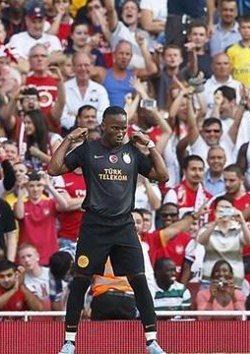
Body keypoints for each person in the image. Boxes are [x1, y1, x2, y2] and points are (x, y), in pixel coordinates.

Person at [48, 106, 169, 354]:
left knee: (139, 280)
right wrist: (69, 139)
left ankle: (152, 342)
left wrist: (151, 147)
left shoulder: (132, 152)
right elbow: (54, 168)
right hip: (94, 226)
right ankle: (69, 342)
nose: (120, 133)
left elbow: (163, 175)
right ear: (104, 125)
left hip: (124, 226)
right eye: (115, 127)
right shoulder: (89, 149)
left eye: (123, 128)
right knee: (80, 281)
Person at [197, 196, 250, 288]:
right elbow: (201, 241)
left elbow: (249, 242)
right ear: (215, 211)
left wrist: (242, 221)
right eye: (221, 208)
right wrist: (215, 223)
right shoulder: (207, 228)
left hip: (234, 280)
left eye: (227, 208)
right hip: (210, 280)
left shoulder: (238, 228)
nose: (224, 211)